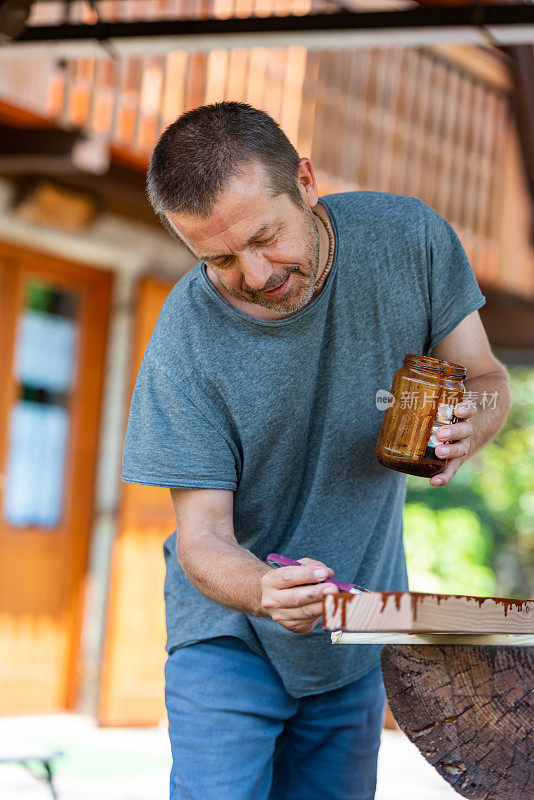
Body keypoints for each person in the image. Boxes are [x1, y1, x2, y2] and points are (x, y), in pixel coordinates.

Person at [121, 101, 511, 800]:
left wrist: (468, 426)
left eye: (266, 237)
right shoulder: (185, 336)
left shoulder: (409, 239)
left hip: (357, 625)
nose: (256, 273)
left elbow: (487, 381)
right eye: (217, 259)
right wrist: (262, 593)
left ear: (305, 181)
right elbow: (202, 538)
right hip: (230, 635)